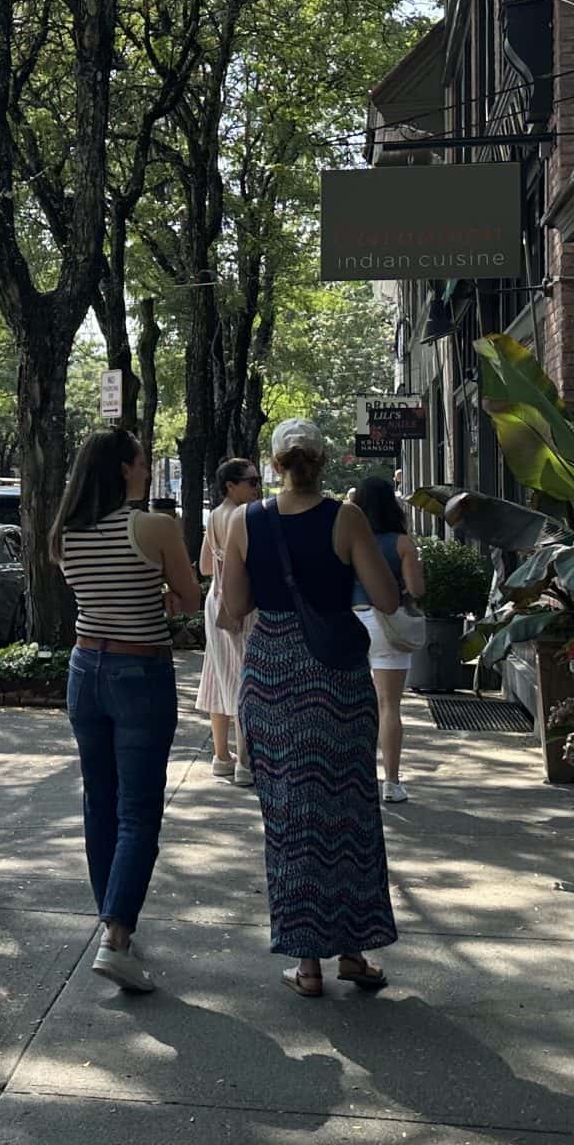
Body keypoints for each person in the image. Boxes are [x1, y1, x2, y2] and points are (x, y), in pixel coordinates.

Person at [218, 419, 403, 997]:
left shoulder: (247, 521)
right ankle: (353, 951)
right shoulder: (346, 518)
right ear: (322, 462)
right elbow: (387, 598)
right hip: (339, 678)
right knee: (348, 811)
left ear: (274, 466)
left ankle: (307, 965)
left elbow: (233, 610)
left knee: (289, 817)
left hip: (272, 674)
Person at [54, 426, 202, 994]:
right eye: (141, 460)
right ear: (123, 468)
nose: (146, 467)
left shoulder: (65, 532)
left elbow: (90, 596)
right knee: (139, 811)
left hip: (84, 668)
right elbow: (188, 600)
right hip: (140, 671)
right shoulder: (155, 526)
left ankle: (111, 921)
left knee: (100, 800)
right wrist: (158, 591)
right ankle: (116, 937)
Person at [348, 475, 425, 804]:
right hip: (387, 623)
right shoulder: (402, 543)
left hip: (350, 620)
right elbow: (418, 589)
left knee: (351, 706)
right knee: (389, 706)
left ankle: (353, 778)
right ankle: (391, 783)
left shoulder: (348, 537)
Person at [196, 457, 265, 783]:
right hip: (241, 604)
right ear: (230, 486)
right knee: (244, 679)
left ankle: (222, 755)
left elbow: (205, 567)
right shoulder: (244, 516)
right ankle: (246, 763)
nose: (257, 487)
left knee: (217, 673)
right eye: (251, 481)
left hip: (216, 601)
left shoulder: (214, 518)